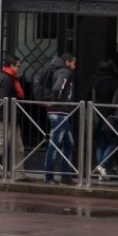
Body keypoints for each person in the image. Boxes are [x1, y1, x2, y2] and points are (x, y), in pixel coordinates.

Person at [43, 52, 77, 184]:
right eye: (74, 63)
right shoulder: (65, 72)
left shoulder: (57, 70)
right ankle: (49, 177)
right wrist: (54, 101)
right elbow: (58, 87)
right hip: (59, 112)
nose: (74, 67)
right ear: (68, 62)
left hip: (60, 112)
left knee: (69, 143)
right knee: (54, 145)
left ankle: (65, 175)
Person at [92, 59, 118, 177]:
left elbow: (89, 96)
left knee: (101, 144)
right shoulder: (114, 83)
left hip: (97, 115)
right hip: (109, 117)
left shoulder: (94, 81)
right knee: (112, 143)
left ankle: (101, 171)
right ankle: (102, 166)